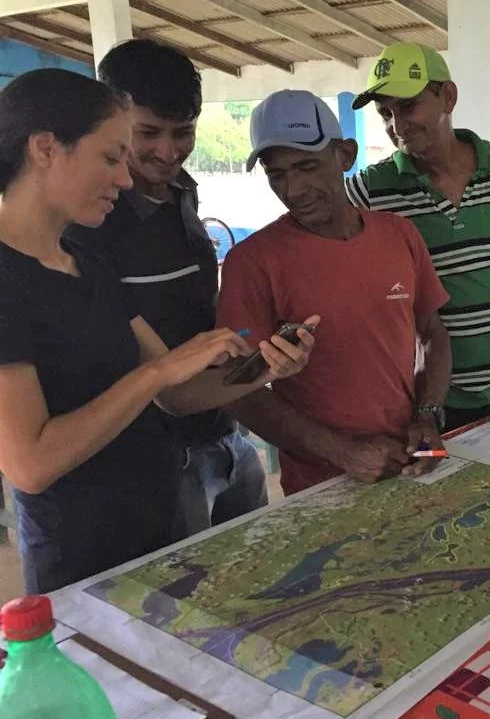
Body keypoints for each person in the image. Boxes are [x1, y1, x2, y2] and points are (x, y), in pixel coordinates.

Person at [0, 70, 313, 593]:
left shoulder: (85, 262)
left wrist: (266, 368)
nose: (125, 179)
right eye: (110, 157)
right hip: (82, 558)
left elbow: (177, 396)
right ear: (46, 149)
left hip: (160, 525)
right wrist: (157, 372)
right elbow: (30, 464)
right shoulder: (8, 279)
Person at [67, 39, 267, 536]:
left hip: (222, 430)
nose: (168, 151)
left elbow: (199, 306)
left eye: (183, 132)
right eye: (148, 133)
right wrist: (271, 370)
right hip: (155, 459)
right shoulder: (89, 224)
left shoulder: (182, 191)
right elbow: (166, 391)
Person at [217, 90, 451, 495]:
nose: (293, 189)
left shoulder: (400, 235)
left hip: (410, 463)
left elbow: (433, 332)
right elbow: (238, 391)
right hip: (318, 487)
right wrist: (340, 452)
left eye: (306, 166)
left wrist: (427, 416)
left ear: (345, 155)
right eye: (277, 174)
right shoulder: (251, 262)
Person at [346, 42, 490, 431]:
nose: (397, 126)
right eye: (385, 113)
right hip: (421, 408)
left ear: (448, 97)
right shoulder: (371, 190)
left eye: (408, 106)